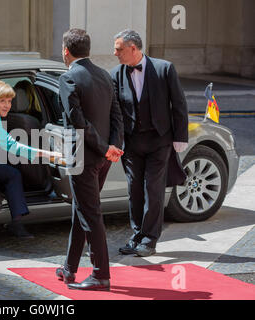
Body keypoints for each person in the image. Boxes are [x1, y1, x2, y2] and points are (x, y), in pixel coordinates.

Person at [56, 29, 124, 291]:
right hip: (103, 158)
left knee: (90, 214)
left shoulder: (68, 77)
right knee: (82, 211)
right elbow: (117, 115)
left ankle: (100, 274)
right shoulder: (104, 75)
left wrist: (105, 146)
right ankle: (69, 268)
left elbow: (78, 123)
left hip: (83, 157)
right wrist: (113, 146)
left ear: (66, 51)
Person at [111, 29, 188, 257]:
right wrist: (115, 142)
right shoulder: (116, 74)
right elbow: (114, 112)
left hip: (159, 141)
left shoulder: (164, 69)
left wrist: (180, 137)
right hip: (132, 143)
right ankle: (137, 236)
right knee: (134, 190)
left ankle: (150, 240)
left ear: (133, 48)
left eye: (118, 49)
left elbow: (179, 103)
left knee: (152, 190)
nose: (115, 53)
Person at [0, 80, 62, 238]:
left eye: (10, 101)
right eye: (2, 101)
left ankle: (9, 208)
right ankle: (16, 224)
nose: (7, 105)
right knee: (13, 174)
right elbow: (12, 146)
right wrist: (48, 155)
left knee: (8, 167)